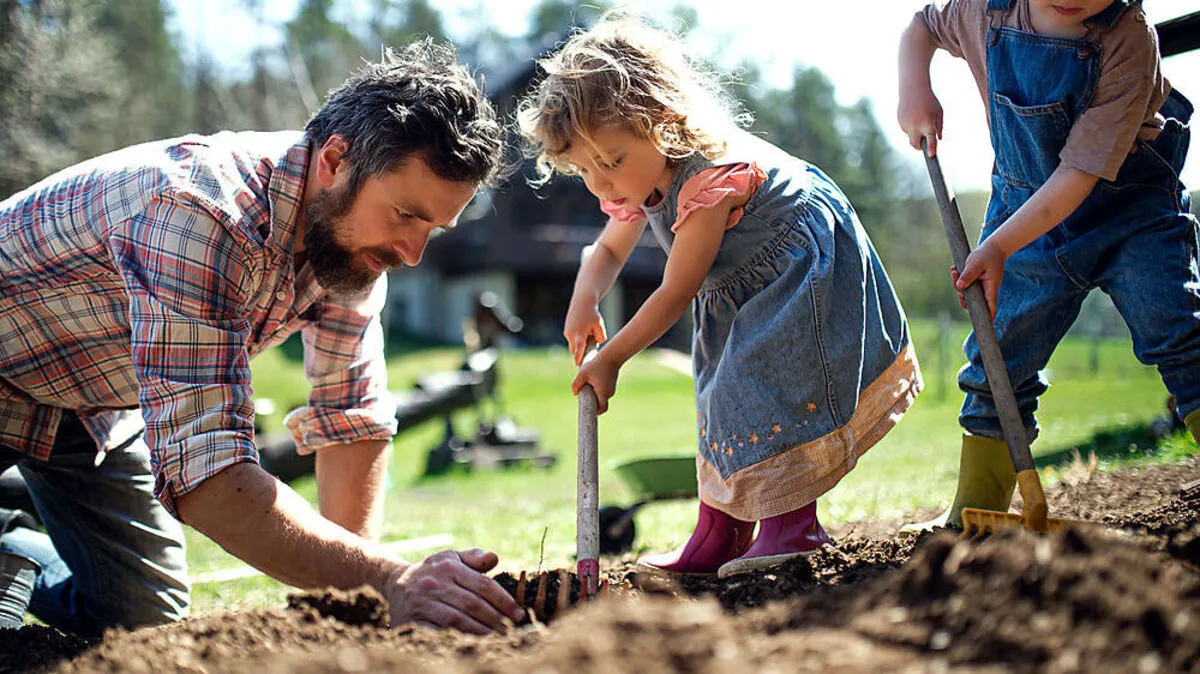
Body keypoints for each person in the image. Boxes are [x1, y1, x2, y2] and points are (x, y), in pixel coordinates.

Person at [0, 39, 525, 635]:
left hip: (87, 403)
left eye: (434, 226)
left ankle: (11, 542)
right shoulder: (197, 210)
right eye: (406, 214)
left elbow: (351, 419)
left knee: (144, 619)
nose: (412, 253)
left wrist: (355, 608)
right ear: (334, 161)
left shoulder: (348, 245)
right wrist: (388, 580)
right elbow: (209, 474)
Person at [517, 15, 923, 578]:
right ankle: (720, 532)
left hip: (794, 266)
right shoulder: (638, 176)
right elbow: (606, 252)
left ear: (662, 123)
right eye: (586, 170)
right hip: (737, 284)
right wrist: (584, 299)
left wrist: (612, 358)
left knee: (767, 387)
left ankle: (792, 525)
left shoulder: (709, 180)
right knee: (720, 398)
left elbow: (676, 291)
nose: (603, 184)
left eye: (611, 162)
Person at [898, 0, 1199, 530]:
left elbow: (1078, 176)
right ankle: (977, 509)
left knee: (1174, 328)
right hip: (1024, 213)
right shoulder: (983, 11)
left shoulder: (1128, 37)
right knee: (999, 357)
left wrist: (997, 247)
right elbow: (922, 26)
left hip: (1129, 214)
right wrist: (915, 86)